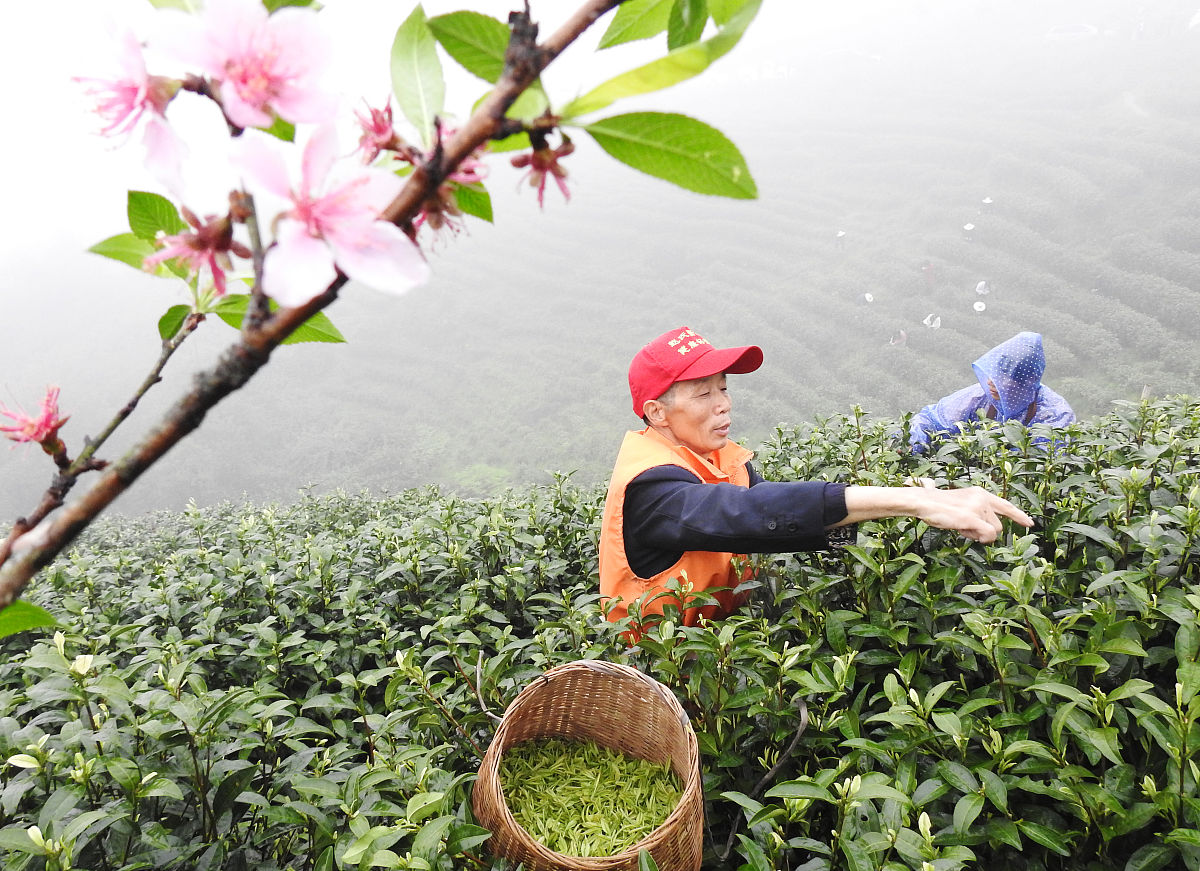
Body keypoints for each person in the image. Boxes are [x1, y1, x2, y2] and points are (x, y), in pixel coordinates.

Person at [598, 326, 1033, 632]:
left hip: (718, 641)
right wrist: (911, 502)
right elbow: (746, 514)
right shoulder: (650, 487)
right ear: (657, 413)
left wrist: (899, 514)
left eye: (724, 388)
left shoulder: (714, 456)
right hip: (655, 670)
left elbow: (778, 517)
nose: (724, 404)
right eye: (704, 393)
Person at [908, 331, 1075, 452]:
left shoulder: (1055, 414)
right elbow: (931, 418)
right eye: (995, 373)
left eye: (1004, 377)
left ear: (1027, 381)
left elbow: (1042, 463)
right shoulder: (980, 396)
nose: (991, 382)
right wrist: (913, 443)